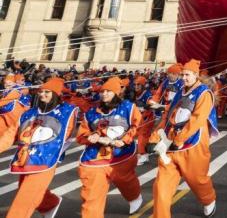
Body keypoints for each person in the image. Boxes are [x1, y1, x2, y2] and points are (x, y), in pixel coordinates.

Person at [149, 59, 218, 218]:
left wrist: (179, 139)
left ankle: (208, 200)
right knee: (161, 187)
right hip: (171, 146)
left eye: (187, 75)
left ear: (196, 75)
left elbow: (197, 120)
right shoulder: (180, 91)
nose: (184, 78)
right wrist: (154, 137)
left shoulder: (204, 93)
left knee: (198, 181)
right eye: (182, 75)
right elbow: (168, 114)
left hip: (193, 145)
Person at [7, 77, 79, 218]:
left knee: (25, 197)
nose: (42, 94)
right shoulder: (30, 112)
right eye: (41, 91)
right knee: (26, 188)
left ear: (56, 94)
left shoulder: (66, 111)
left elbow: (67, 133)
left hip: (47, 158)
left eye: (47, 92)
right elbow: (11, 134)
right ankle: (50, 203)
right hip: (26, 157)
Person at [77, 77, 143, 217]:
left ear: (117, 93)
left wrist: (124, 140)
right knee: (91, 194)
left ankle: (134, 197)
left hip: (121, 154)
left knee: (125, 181)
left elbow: (136, 126)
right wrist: (92, 136)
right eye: (102, 91)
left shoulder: (128, 107)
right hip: (95, 157)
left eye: (108, 91)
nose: (104, 94)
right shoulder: (91, 112)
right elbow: (82, 135)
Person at [0, 74, 31, 153]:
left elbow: (3, 102)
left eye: (9, 82)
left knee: (8, 136)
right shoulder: (7, 91)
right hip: (6, 116)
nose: (7, 84)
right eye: (5, 82)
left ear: (14, 82)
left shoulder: (15, 91)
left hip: (14, 118)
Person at [133, 76, 154, 166]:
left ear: (143, 85)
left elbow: (150, 106)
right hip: (140, 118)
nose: (136, 86)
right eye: (135, 85)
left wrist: (140, 108)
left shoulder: (147, 94)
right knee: (137, 135)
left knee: (142, 137)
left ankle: (143, 155)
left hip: (148, 118)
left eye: (138, 85)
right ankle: (143, 153)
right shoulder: (135, 93)